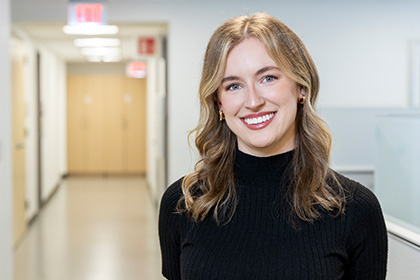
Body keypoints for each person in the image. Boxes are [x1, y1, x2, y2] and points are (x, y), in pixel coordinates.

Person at [158, 13, 388, 280]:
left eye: (268, 78)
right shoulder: (182, 204)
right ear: (219, 103)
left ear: (301, 86)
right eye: (233, 86)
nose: (253, 101)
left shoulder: (355, 210)